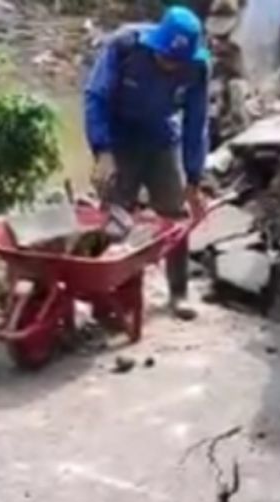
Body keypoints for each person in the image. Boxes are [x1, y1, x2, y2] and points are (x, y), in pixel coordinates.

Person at [83, 5, 211, 321]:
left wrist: (194, 179)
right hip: (119, 136)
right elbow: (95, 97)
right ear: (156, 42)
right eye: (164, 58)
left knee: (174, 215)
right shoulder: (124, 46)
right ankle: (107, 296)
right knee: (115, 214)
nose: (169, 66)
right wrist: (103, 151)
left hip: (161, 137)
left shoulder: (198, 68)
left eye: (176, 63)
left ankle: (178, 293)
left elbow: (197, 122)